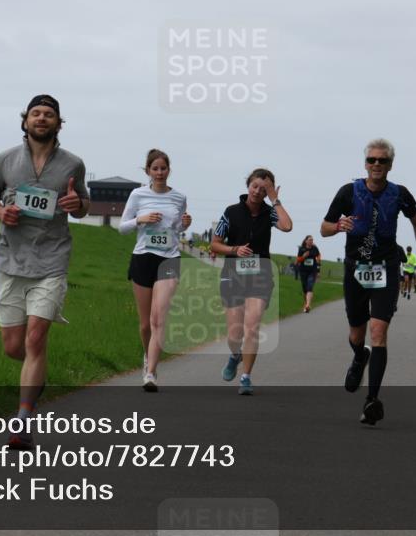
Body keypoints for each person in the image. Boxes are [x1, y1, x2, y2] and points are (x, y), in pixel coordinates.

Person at [0, 94, 90, 449]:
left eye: (49, 115)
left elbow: (83, 205)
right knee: (15, 347)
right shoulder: (6, 160)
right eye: (36, 114)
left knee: (35, 339)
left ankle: (23, 420)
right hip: (10, 259)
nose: (42, 119)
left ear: (59, 123)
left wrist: (78, 204)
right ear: (25, 120)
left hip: (52, 259)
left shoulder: (73, 164)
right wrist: (1, 213)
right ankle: (36, 372)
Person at [320, 138, 416, 425]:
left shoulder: (400, 194)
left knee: (378, 332)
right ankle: (360, 356)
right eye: (372, 160)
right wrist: (338, 226)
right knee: (357, 335)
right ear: (365, 163)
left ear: (390, 165)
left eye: (382, 161)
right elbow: (324, 229)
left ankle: (372, 401)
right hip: (356, 269)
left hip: (386, 269)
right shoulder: (348, 192)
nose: (376, 165)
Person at [210, 169, 293, 395]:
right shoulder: (231, 212)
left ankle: (246, 377)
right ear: (248, 185)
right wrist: (235, 249)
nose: (258, 192)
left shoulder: (270, 212)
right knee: (235, 334)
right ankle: (235, 355)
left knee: (252, 327)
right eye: (255, 186)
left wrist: (275, 199)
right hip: (233, 275)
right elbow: (214, 244)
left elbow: (287, 226)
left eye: (264, 189)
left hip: (260, 275)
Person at [119, 149, 192, 392]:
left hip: (169, 259)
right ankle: (147, 357)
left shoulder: (179, 197)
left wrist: (184, 224)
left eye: (164, 168)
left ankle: (151, 373)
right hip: (143, 258)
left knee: (158, 319)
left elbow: (177, 229)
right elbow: (122, 228)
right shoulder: (138, 195)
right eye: (155, 168)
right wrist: (141, 219)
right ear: (148, 171)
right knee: (144, 324)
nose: (160, 173)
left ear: (169, 170)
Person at [296, 235, 322, 313]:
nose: (311, 241)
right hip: (303, 271)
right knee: (305, 289)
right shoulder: (302, 249)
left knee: (310, 286)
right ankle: (306, 303)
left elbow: (318, 256)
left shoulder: (314, 248)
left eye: (312, 240)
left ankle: (308, 305)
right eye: (310, 240)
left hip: (312, 271)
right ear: (306, 241)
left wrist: (318, 270)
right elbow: (298, 260)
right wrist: (303, 256)